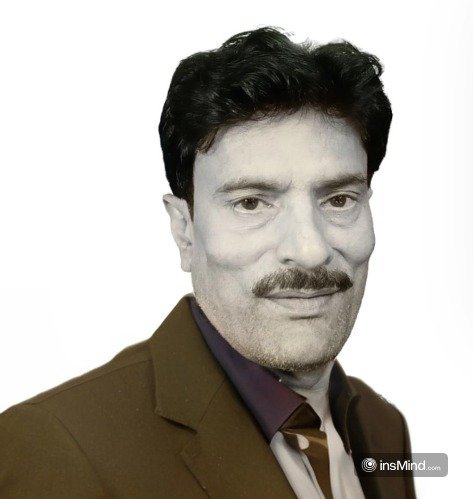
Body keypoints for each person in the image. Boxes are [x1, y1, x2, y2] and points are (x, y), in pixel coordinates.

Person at [0, 27, 416, 498]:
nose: (310, 250)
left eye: (339, 199)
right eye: (251, 203)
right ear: (184, 229)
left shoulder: (383, 427)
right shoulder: (52, 450)